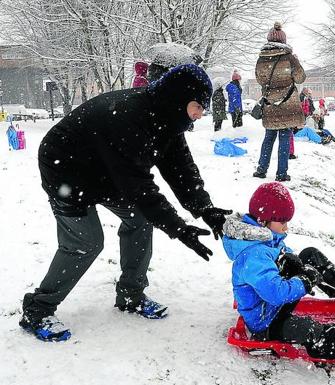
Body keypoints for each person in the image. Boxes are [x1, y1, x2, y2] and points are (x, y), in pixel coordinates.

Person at [19, 64, 232, 342]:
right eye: (198, 105)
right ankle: (37, 309)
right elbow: (140, 189)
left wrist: (206, 210)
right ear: (180, 98)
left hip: (108, 169)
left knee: (140, 220)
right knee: (86, 243)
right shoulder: (130, 118)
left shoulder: (169, 119)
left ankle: (131, 294)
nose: (200, 114)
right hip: (66, 168)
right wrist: (178, 228)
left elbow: (181, 171)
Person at [222, 182, 335, 359]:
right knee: (312, 331)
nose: (286, 227)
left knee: (309, 254)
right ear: (262, 220)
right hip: (267, 321)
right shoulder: (253, 255)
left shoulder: (262, 235)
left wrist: (290, 260)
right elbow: (275, 293)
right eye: (282, 221)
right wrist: (305, 281)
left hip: (274, 302)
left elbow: (276, 253)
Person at [253, 22, 306, 182]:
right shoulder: (289, 57)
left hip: (269, 104)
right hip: (287, 104)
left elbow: (259, 79)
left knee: (269, 136)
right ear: (283, 40)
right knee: (284, 137)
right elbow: (300, 78)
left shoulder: (261, 60)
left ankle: (262, 169)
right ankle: (281, 174)